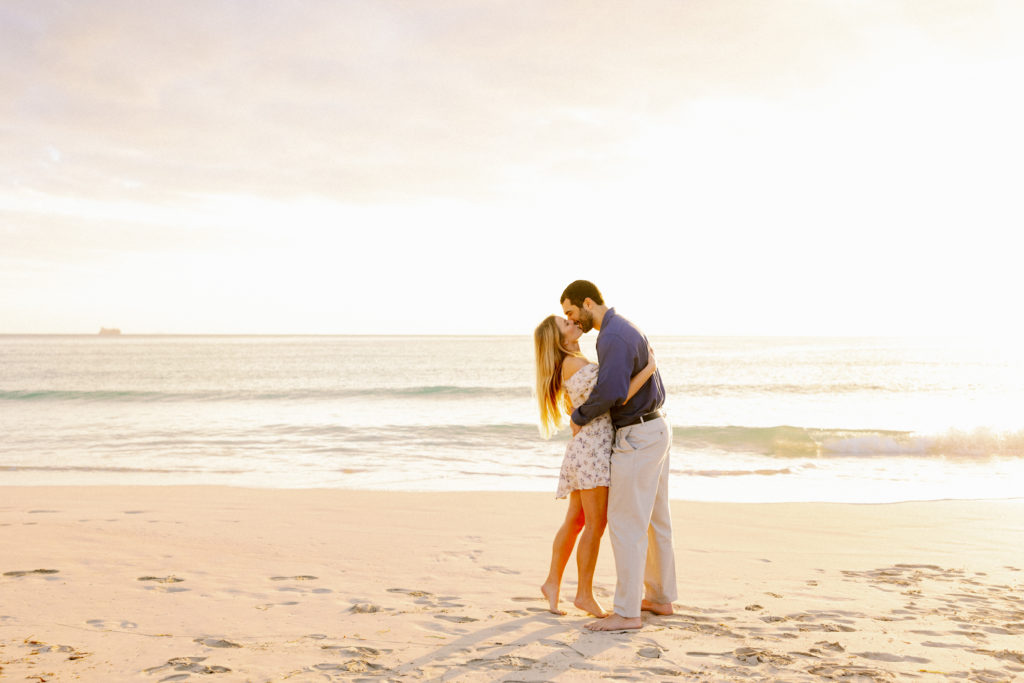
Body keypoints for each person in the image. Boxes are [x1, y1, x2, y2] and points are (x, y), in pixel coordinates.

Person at [560, 280, 678, 631]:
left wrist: (578, 417)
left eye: (571, 312)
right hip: (656, 428)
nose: (571, 319)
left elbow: (613, 392)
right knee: (657, 520)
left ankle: (627, 613)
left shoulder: (611, 336)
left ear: (587, 302)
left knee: (626, 524)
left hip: (638, 436)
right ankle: (659, 598)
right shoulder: (625, 327)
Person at [533, 314, 657, 618]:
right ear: (559, 339)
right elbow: (617, 397)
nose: (574, 323)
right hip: (593, 451)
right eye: (567, 324)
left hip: (585, 448)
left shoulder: (573, 362)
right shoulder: (575, 364)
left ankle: (552, 583)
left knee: (576, 521)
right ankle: (584, 595)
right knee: (594, 524)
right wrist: (650, 368)